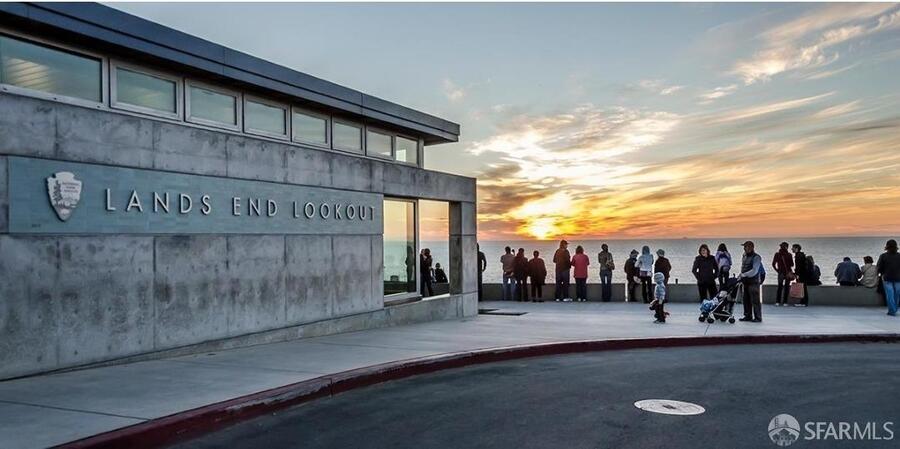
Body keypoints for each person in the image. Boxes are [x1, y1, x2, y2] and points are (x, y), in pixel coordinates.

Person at [737, 241, 763, 322]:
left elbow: (754, 270)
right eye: (744, 247)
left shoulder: (756, 257)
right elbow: (743, 267)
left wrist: (744, 274)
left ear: (751, 247)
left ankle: (758, 317)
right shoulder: (744, 256)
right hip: (745, 282)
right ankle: (748, 316)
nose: (745, 248)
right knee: (746, 300)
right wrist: (741, 275)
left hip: (753, 282)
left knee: (755, 301)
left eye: (746, 247)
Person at [876, 239, 900, 316]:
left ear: (887, 246)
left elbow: (879, 267)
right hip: (898, 278)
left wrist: (881, 273)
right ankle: (894, 309)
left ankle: (892, 310)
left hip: (887, 277)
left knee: (890, 294)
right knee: (897, 294)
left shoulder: (883, 256)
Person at [772, 242, 794, 306]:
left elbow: (773, 264)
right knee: (786, 287)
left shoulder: (777, 254)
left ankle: (778, 301)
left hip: (780, 272)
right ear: (787, 247)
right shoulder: (789, 255)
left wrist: (777, 270)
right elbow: (792, 264)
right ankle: (785, 302)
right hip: (788, 272)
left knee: (780, 287)